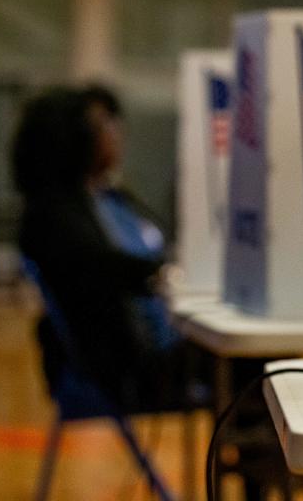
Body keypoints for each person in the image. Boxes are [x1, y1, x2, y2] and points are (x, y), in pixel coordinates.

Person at [13, 85, 195, 411]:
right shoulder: (53, 215)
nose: (112, 133)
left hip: (140, 360)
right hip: (123, 376)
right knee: (259, 373)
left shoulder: (92, 200)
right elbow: (101, 266)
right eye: (98, 125)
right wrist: (165, 273)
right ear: (69, 137)